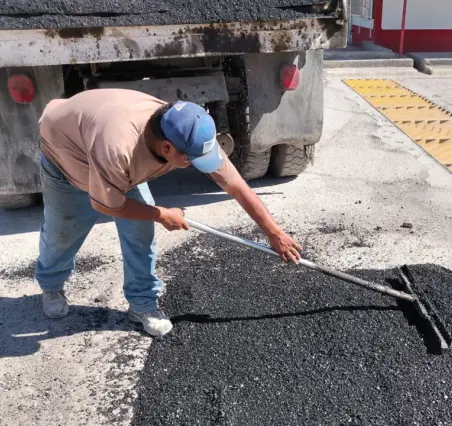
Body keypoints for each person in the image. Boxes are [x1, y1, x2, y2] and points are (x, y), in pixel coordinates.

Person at [35, 88, 302, 337]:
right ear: (166, 148)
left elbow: (234, 185)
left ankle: (142, 303)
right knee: (64, 231)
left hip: (107, 153)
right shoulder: (119, 149)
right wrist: (161, 214)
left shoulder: (188, 129)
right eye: (191, 160)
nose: (196, 165)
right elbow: (105, 205)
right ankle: (51, 285)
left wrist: (274, 233)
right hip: (66, 156)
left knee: (140, 232)